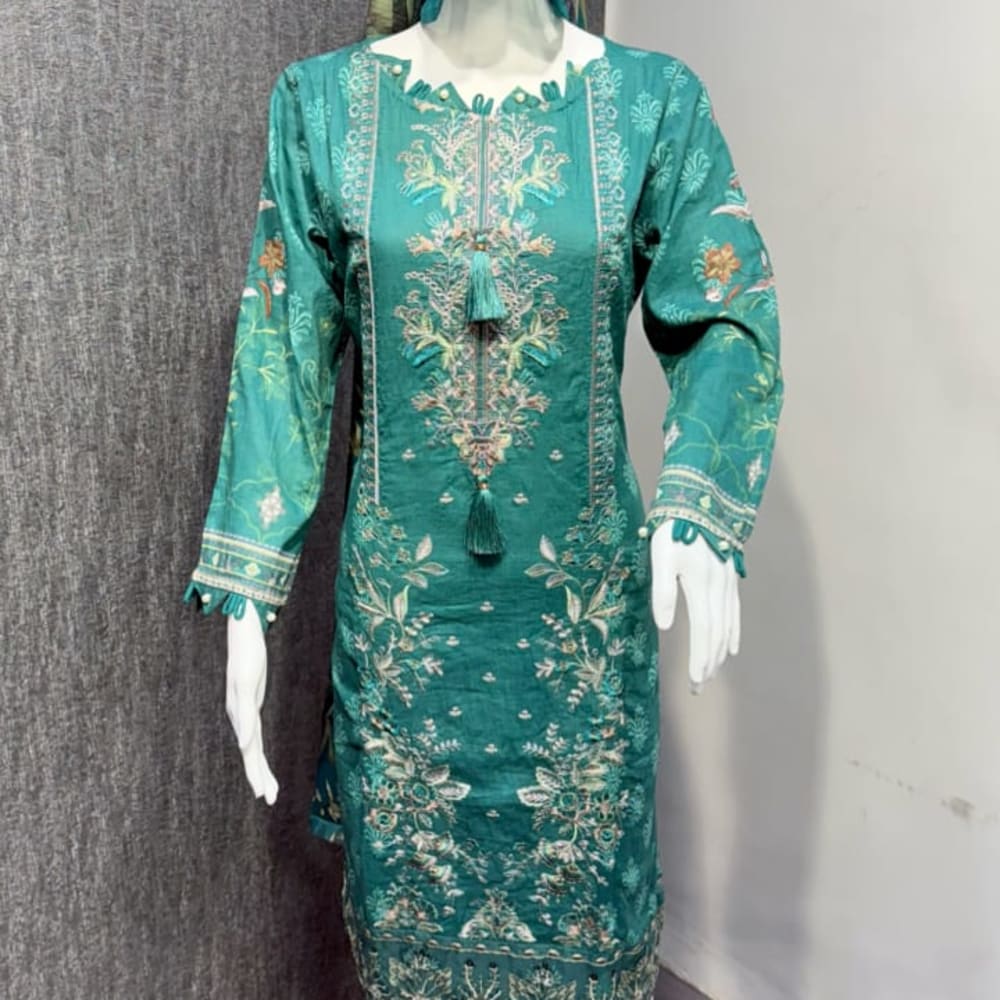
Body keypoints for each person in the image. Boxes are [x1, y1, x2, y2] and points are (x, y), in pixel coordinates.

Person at [183, 1, 783, 995]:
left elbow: (726, 310)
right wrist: (250, 577)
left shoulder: (651, 102)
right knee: (408, 936)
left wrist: (699, 500)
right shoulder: (323, 105)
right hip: (405, 634)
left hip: (580, 636)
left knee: (586, 927)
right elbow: (281, 348)